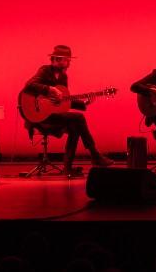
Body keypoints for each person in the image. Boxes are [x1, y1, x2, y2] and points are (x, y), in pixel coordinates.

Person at [21, 45, 112, 176]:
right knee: (79, 118)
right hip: (39, 116)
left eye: (68, 60)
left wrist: (85, 102)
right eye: (65, 60)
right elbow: (29, 86)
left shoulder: (64, 77)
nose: (67, 63)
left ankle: (68, 168)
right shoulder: (45, 70)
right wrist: (49, 89)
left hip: (53, 115)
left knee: (75, 126)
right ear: (55, 59)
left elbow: (64, 101)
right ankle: (95, 154)